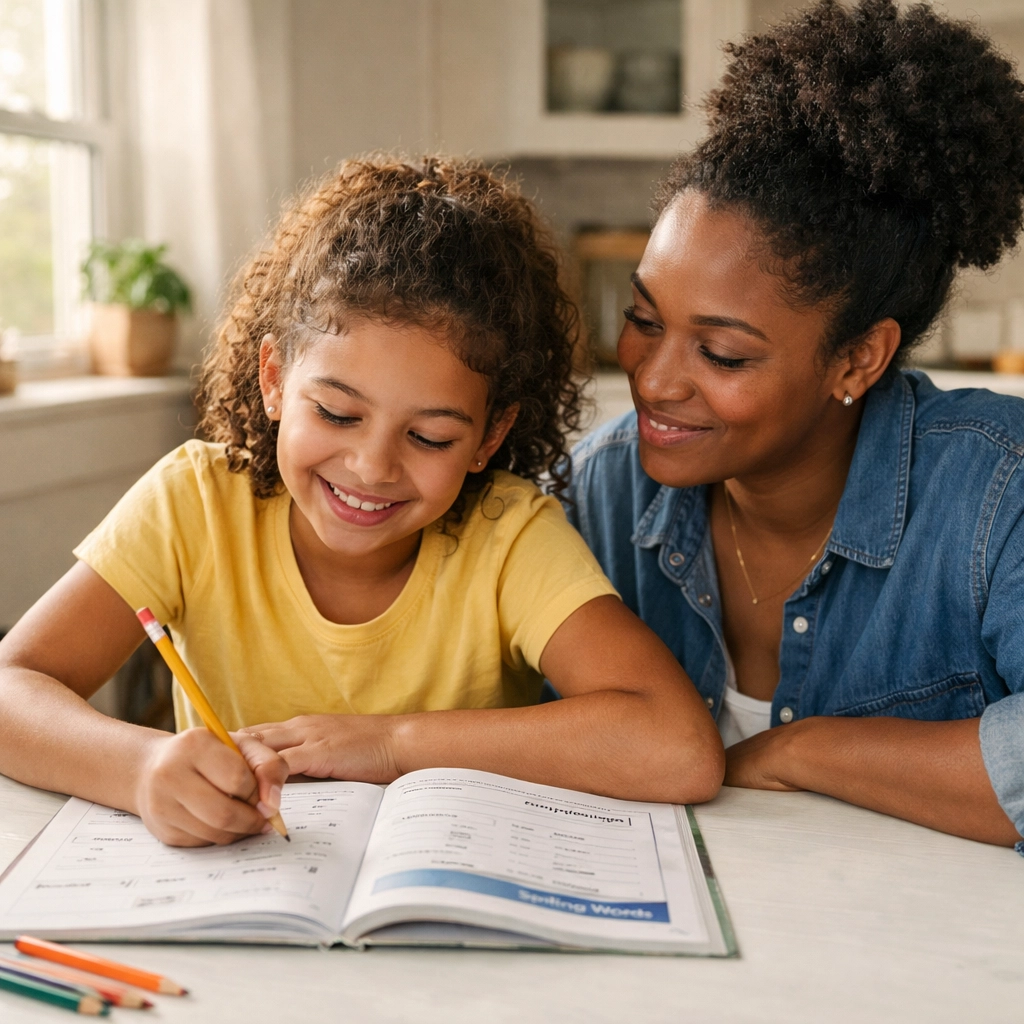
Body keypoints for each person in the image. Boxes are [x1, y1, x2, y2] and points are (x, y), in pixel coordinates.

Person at [0, 156, 723, 847]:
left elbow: (678, 747)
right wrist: (139, 768)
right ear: (275, 380)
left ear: (489, 436)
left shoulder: (508, 535)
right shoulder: (195, 502)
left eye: (430, 437)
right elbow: (12, 687)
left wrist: (391, 743)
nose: (372, 467)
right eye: (338, 414)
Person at [566, 0, 1024, 849]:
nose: (653, 380)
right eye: (644, 318)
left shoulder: (998, 491)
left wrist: (799, 753)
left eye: (723, 355)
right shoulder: (600, 489)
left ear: (857, 360)